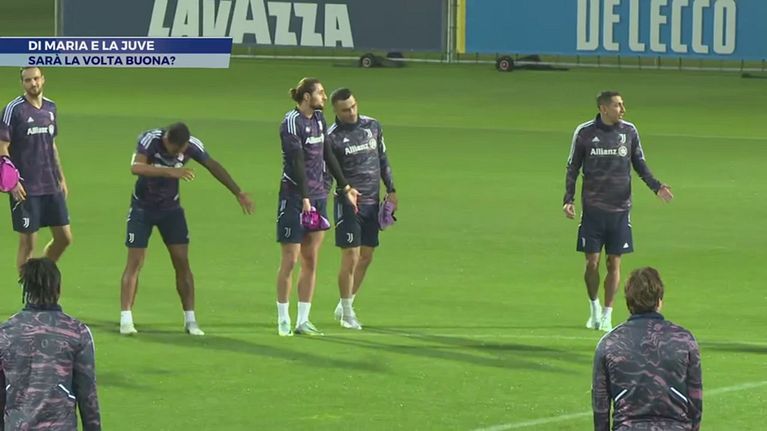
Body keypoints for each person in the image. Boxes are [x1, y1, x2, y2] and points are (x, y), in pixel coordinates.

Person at [119, 122, 254, 336]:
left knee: (182, 262)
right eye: (176, 150)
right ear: (167, 141)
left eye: (182, 151)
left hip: (171, 210)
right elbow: (136, 167)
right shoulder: (150, 139)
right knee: (135, 262)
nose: (179, 154)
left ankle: (190, 320)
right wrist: (170, 172)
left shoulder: (191, 144)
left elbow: (212, 164)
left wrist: (238, 192)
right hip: (142, 209)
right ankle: (126, 320)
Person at [563, 91, 673, 331]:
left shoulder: (629, 132)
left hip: (620, 210)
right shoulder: (585, 132)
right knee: (592, 263)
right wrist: (568, 199)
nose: (623, 109)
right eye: (618, 105)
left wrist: (656, 187)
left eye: (622, 105)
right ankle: (594, 305)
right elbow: (573, 167)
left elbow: (639, 163)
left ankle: (607, 313)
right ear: (604, 108)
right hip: (593, 209)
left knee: (614, 263)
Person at [276, 77, 359, 337]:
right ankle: (283, 320)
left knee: (310, 258)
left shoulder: (320, 119)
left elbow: (327, 154)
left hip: (319, 196)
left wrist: (345, 186)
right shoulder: (291, 122)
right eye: (320, 93)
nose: (324, 97)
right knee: (290, 259)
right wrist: (304, 198)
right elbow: (297, 161)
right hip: (294, 197)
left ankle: (303, 320)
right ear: (306, 97)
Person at [592, 267, 702, 431]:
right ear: (659, 301)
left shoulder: (609, 343)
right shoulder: (684, 340)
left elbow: (600, 405)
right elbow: (695, 400)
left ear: (629, 302)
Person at [0, 258, 101, 430]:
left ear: (25, 289)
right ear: (57, 288)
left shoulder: (5, 332)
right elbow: (87, 395)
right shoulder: (77, 332)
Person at [326, 88, 397, 330]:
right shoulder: (332, 137)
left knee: (367, 256)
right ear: (335, 111)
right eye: (345, 110)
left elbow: (383, 158)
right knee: (351, 256)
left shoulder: (372, 126)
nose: (352, 112)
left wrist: (392, 189)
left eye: (354, 106)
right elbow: (327, 173)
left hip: (372, 203)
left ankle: (345, 303)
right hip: (348, 204)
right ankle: (347, 314)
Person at [0, 67, 72, 271]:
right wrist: (12, 182)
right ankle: (28, 288)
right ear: (22, 83)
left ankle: (41, 277)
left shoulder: (50, 107)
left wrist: (61, 177)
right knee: (28, 244)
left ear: (43, 80)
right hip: (26, 187)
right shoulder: (13, 110)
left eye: (36, 79)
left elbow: (51, 145)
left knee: (64, 238)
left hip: (50, 184)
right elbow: (2, 147)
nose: (33, 83)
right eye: (28, 80)